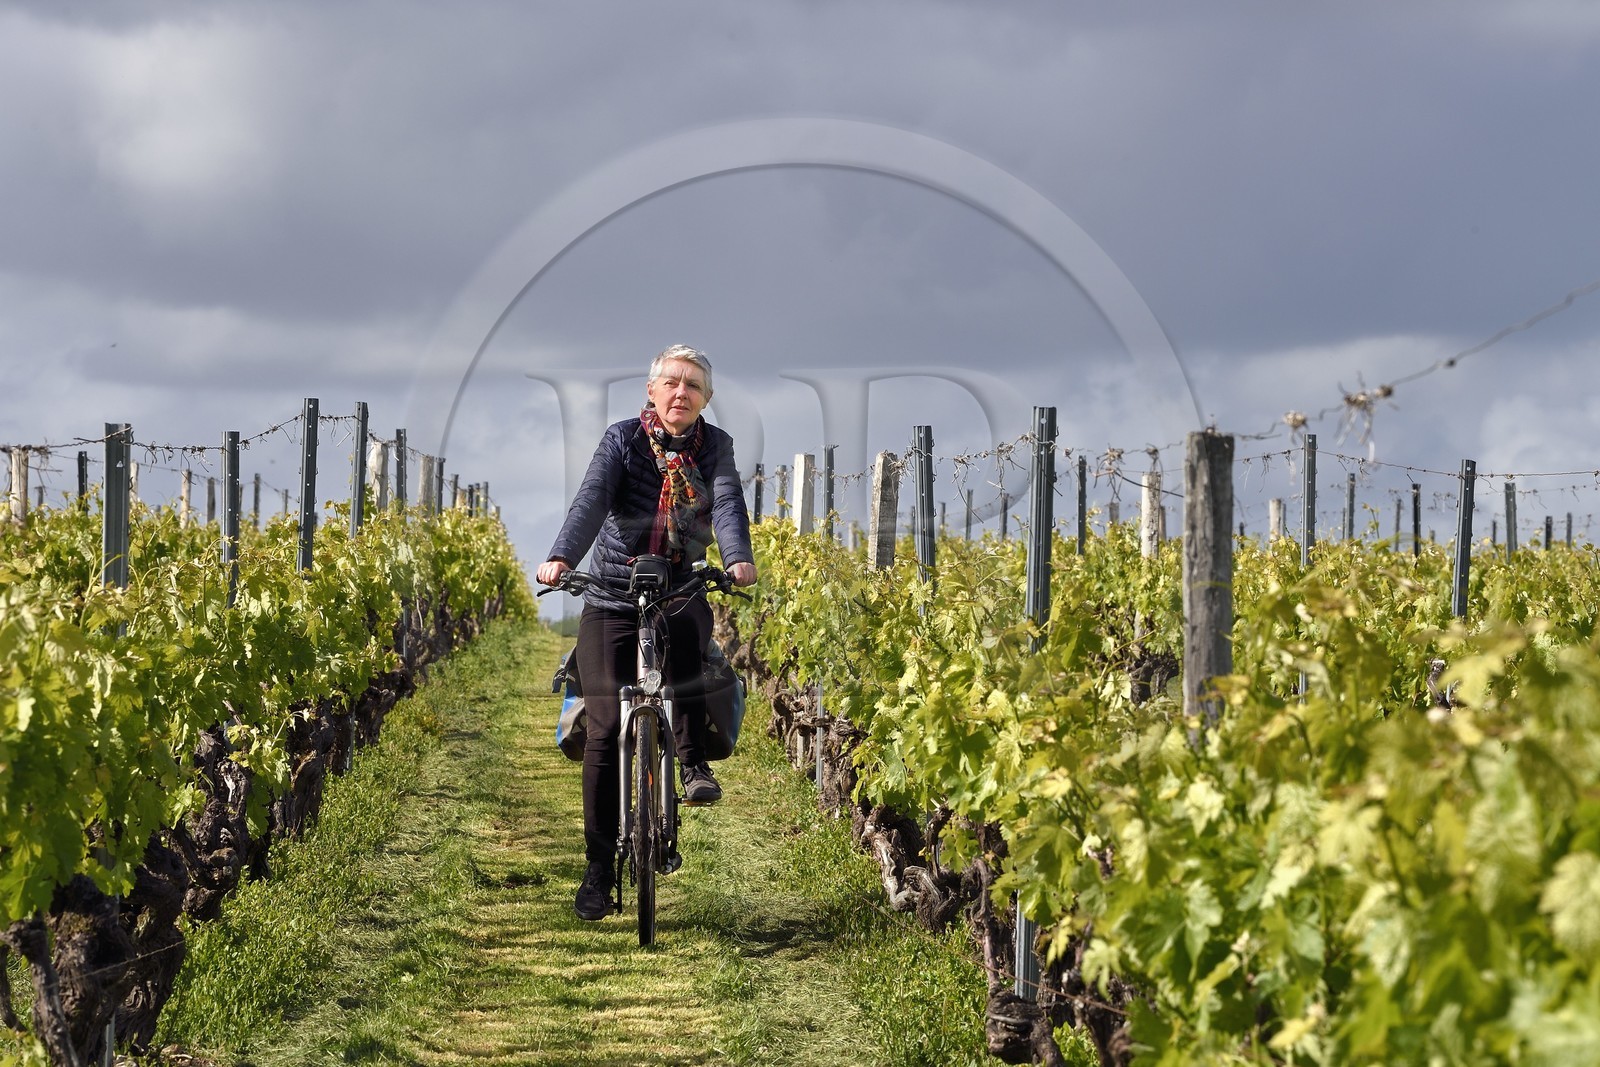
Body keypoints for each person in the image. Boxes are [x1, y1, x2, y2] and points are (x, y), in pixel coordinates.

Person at [536, 344, 757, 921]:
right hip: (612, 591)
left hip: (679, 584)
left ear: (705, 400)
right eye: (672, 383)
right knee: (606, 726)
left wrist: (737, 557)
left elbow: (728, 503)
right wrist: (562, 556)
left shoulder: (717, 447)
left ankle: (690, 763)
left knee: (689, 638)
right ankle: (597, 869)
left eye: (693, 386)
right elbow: (591, 500)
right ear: (652, 393)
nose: (681, 393)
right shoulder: (622, 440)